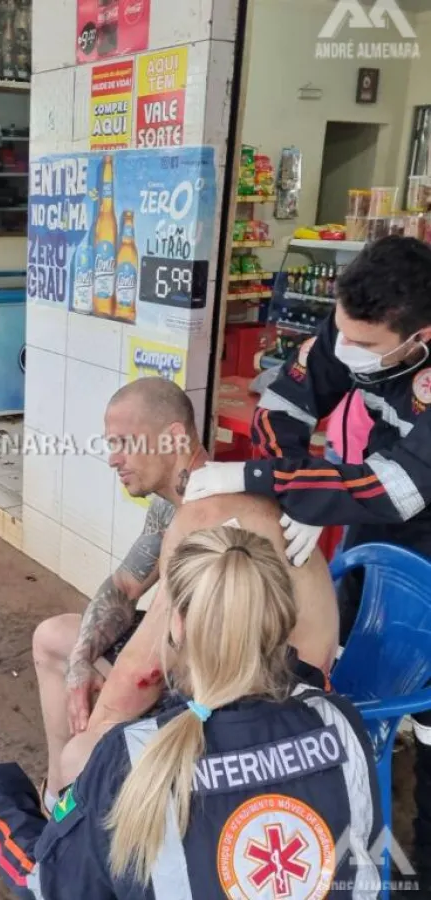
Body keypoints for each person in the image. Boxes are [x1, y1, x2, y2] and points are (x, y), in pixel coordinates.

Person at [0, 526, 383, 899]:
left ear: (177, 625)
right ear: (279, 621)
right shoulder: (340, 722)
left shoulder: (131, 758)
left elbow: (44, 884)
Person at [183, 235, 431, 885]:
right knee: (338, 670)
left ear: (419, 338)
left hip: (420, 538)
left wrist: (272, 485)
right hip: (375, 540)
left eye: (366, 346)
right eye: (341, 332)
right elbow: (287, 401)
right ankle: (340, 786)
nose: (345, 350)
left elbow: (396, 488)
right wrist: (284, 476)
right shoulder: (356, 324)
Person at [33, 378, 339, 800]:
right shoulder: (175, 505)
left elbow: (145, 670)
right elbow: (124, 586)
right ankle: (52, 797)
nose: (112, 459)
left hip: (274, 705)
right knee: (56, 639)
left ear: (174, 437)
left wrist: (94, 728)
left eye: (124, 442)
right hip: (220, 671)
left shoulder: (206, 516)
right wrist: (82, 662)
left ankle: (65, 807)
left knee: (83, 753)